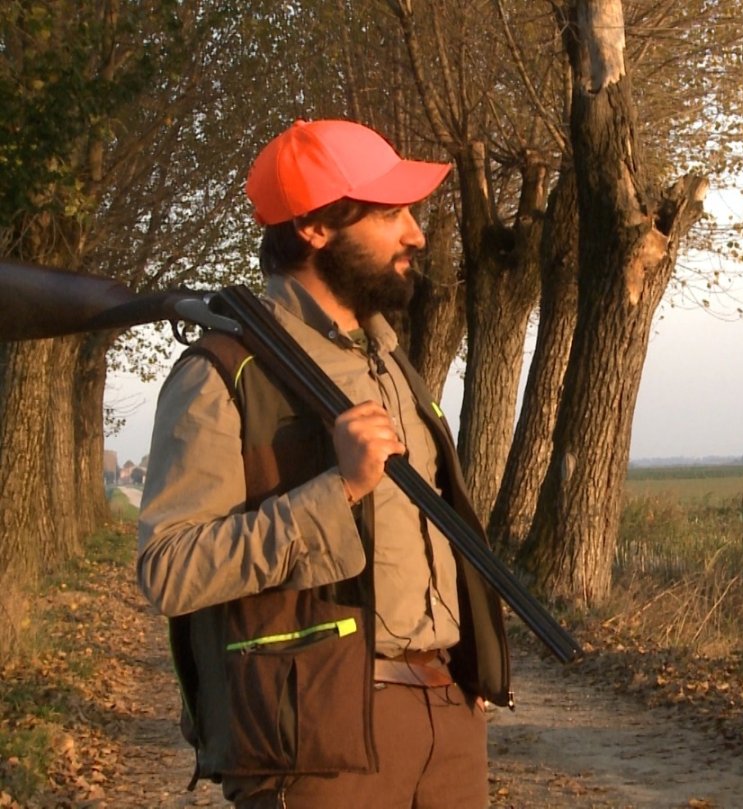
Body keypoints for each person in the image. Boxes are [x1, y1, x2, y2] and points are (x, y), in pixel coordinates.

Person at [137, 119, 509, 808]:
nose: (416, 234)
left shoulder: (389, 359)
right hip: (316, 737)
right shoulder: (221, 371)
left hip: (447, 719)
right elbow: (170, 568)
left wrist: (458, 674)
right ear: (313, 227)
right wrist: (338, 489)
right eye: (390, 214)